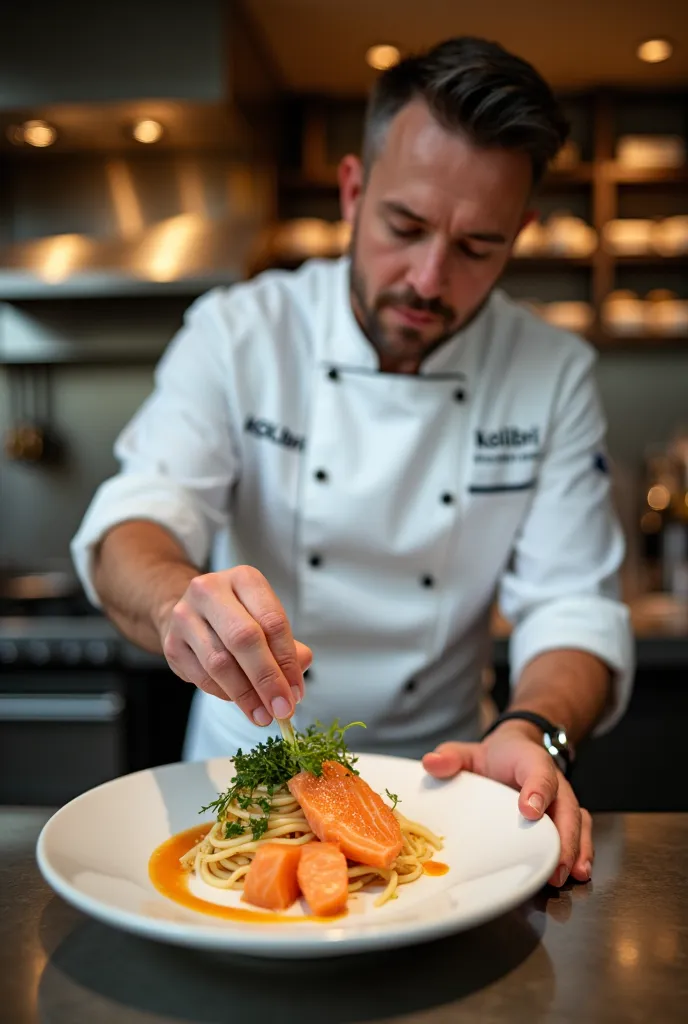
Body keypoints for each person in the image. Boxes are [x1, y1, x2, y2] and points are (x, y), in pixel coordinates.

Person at [71, 36, 634, 890]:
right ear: (352, 191)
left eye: (478, 246)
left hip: (452, 783)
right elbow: (136, 522)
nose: (429, 277)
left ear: (518, 235)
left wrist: (534, 729)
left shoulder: (550, 373)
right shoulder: (240, 333)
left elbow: (571, 605)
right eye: (404, 227)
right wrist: (176, 602)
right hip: (243, 777)